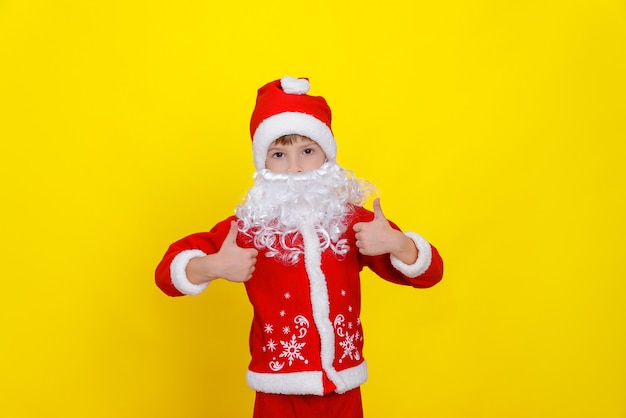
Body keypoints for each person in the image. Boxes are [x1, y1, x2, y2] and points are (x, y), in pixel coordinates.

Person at [155, 76, 444, 418]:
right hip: (278, 392)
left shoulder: (353, 221)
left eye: (307, 151)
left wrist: (398, 242)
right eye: (279, 154)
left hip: (344, 389)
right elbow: (166, 276)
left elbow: (430, 274)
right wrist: (212, 266)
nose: (294, 167)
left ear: (327, 155)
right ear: (263, 162)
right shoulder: (248, 227)